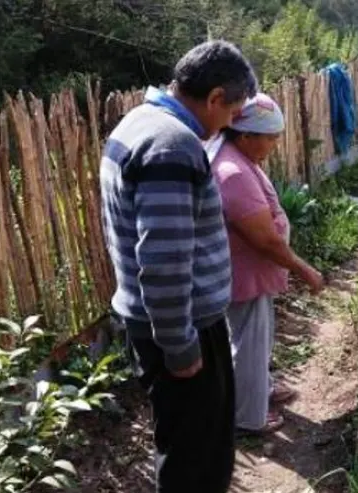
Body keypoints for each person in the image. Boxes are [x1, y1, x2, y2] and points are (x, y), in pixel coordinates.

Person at [99, 40, 257, 493]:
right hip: (180, 326)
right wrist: (180, 344)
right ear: (213, 98)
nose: (228, 124)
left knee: (185, 442)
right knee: (196, 457)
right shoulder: (172, 145)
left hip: (162, 321)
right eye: (230, 112)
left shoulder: (138, 124)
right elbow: (164, 258)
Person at [209, 93, 325, 436]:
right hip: (245, 275)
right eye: (270, 137)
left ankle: (261, 388)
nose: (275, 144)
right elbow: (265, 240)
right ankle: (247, 416)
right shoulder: (232, 173)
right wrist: (304, 269)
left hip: (252, 274)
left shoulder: (238, 159)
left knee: (258, 336)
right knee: (247, 342)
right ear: (246, 135)